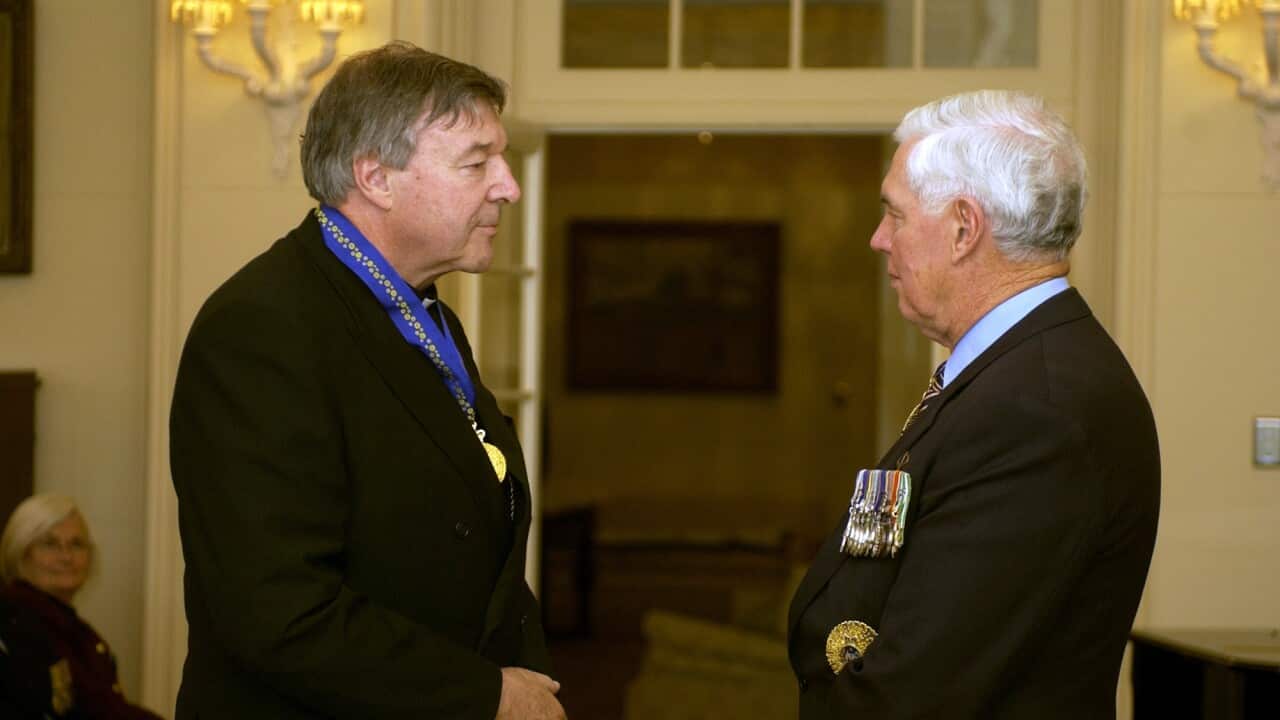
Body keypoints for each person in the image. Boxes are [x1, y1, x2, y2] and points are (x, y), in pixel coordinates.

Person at [169, 43, 562, 719]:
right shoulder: (261, 328)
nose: (509, 185)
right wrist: (488, 695)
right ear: (376, 177)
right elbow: (276, 610)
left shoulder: (417, 307)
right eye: (477, 163)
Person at [787, 90, 1160, 718]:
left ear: (964, 228)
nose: (880, 240)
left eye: (896, 215)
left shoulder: (1037, 409)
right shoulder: (1018, 371)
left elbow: (918, 691)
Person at [0, 493, 164, 719]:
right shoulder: (13, 624)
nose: (66, 557)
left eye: (76, 544)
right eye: (50, 544)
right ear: (20, 551)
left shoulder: (78, 632)